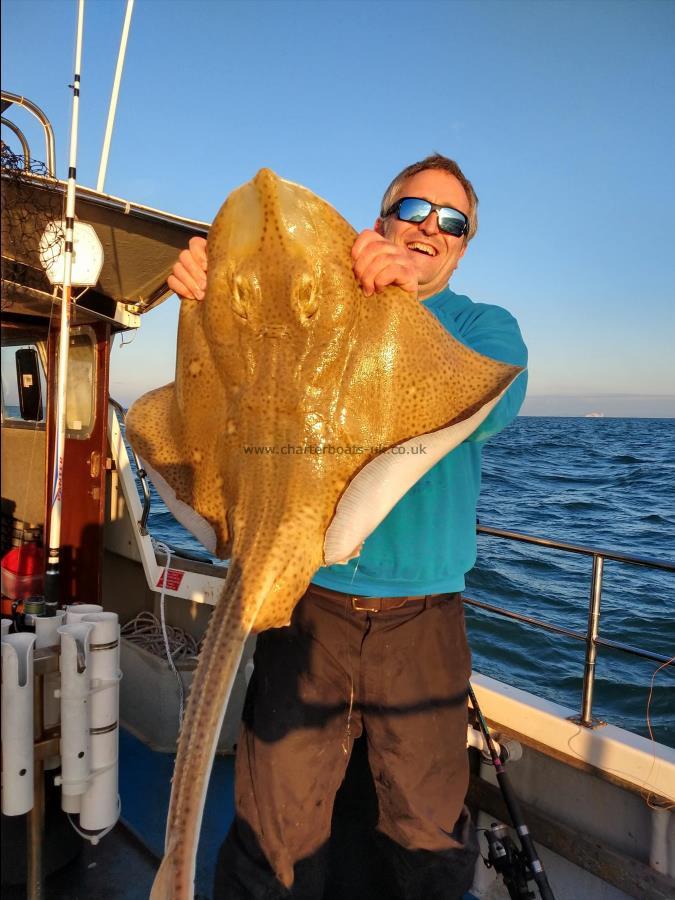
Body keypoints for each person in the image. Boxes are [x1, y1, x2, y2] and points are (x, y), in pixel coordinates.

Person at [169, 154, 528, 900]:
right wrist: (201, 302)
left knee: (422, 828)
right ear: (380, 220)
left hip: (421, 623)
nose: (430, 227)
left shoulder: (481, 327)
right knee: (278, 827)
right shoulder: (329, 304)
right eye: (412, 210)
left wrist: (401, 299)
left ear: (462, 245)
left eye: (451, 220)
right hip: (310, 603)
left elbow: (489, 400)